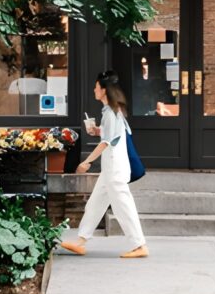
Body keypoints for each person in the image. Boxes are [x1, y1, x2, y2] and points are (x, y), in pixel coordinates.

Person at [60, 71, 149, 259]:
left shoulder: (110, 113)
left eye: (96, 87)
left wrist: (86, 161)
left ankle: (139, 244)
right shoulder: (113, 111)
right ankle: (81, 241)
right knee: (95, 203)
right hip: (111, 168)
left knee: (123, 206)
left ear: (103, 90)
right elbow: (113, 135)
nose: (94, 90)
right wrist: (98, 130)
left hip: (115, 169)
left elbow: (106, 143)